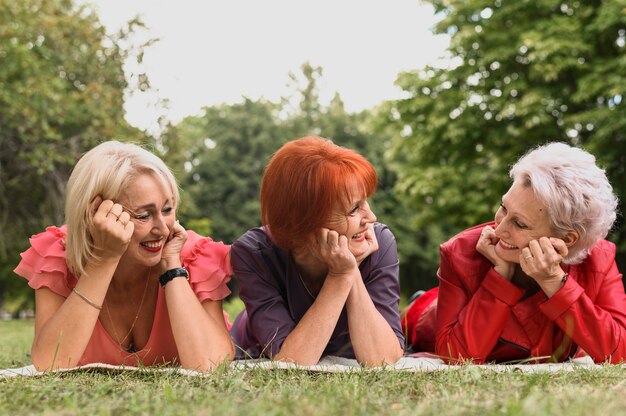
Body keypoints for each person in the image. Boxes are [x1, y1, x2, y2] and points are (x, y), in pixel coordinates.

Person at [14, 141, 234, 371]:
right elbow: (50, 363)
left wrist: (172, 268)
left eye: (167, 210)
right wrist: (104, 258)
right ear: (96, 213)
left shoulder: (194, 256)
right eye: (143, 215)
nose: (163, 229)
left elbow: (212, 366)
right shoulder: (58, 255)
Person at [402, 142, 626, 364]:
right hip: (426, 317)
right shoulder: (460, 251)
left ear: (566, 240)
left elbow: (620, 351)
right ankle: (419, 299)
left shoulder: (600, 259)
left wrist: (553, 281)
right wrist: (500, 278)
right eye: (503, 208)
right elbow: (457, 356)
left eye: (519, 224)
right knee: (419, 313)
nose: (499, 230)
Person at [230, 136, 404, 366]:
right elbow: (292, 362)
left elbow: (383, 360)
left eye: (366, 202)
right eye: (354, 209)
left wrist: (351, 272)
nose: (371, 218)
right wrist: (340, 275)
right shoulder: (253, 252)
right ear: (306, 222)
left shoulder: (378, 241)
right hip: (255, 349)